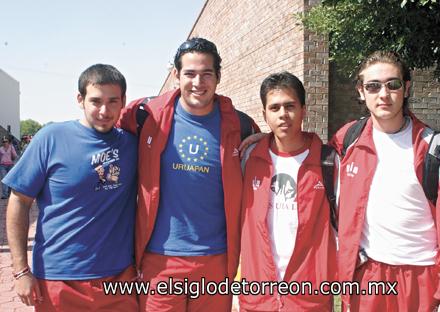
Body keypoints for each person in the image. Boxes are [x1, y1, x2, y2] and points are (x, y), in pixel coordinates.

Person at [119, 37, 259, 311]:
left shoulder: (240, 125)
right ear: (176, 75)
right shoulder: (145, 115)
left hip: (217, 260)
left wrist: (265, 139)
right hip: (159, 260)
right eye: (190, 74)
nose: (198, 82)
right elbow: (104, 128)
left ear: (218, 76)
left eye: (207, 74)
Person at [329, 51, 440, 311]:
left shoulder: (434, 147)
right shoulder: (347, 139)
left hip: (423, 278)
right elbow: (309, 159)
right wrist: (264, 139)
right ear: (361, 92)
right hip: (368, 276)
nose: (383, 94)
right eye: (373, 86)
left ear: (406, 88)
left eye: (392, 84)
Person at [4, 64, 138, 311]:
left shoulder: (133, 145)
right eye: (96, 101)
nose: (104, 111)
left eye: (113, 101)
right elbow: (19, 202)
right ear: (80, 99)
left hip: (119, 279)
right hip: (60, 279)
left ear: (123, 101)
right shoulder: (51, 138)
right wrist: (21, 270)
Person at [239, 72, 336, 311]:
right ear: (264, 115)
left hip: (309, 297)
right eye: (274, 108)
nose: (283, 114)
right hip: (258, 296)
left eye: (290, 106)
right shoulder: (248, 158)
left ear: (303, 109)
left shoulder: (330, 162)